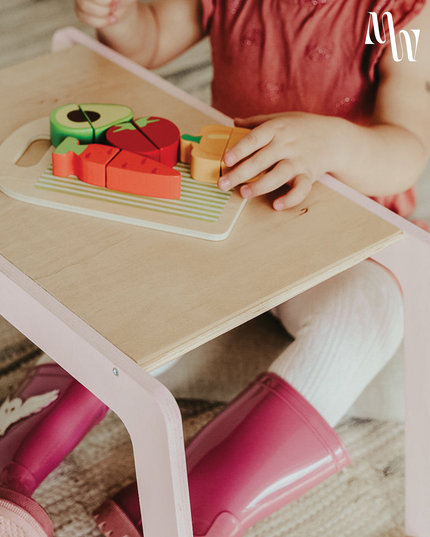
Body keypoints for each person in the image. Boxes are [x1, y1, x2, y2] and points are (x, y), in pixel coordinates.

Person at [1, 0, 429, 536]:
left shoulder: (408, 19)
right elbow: (152, 38)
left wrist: (329, 142)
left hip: (345, 243)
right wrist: (120, 18)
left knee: (371, 312)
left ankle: (190, 510)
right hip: (230, 211)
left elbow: (408, 147)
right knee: (130, 292)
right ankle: (13, 467)